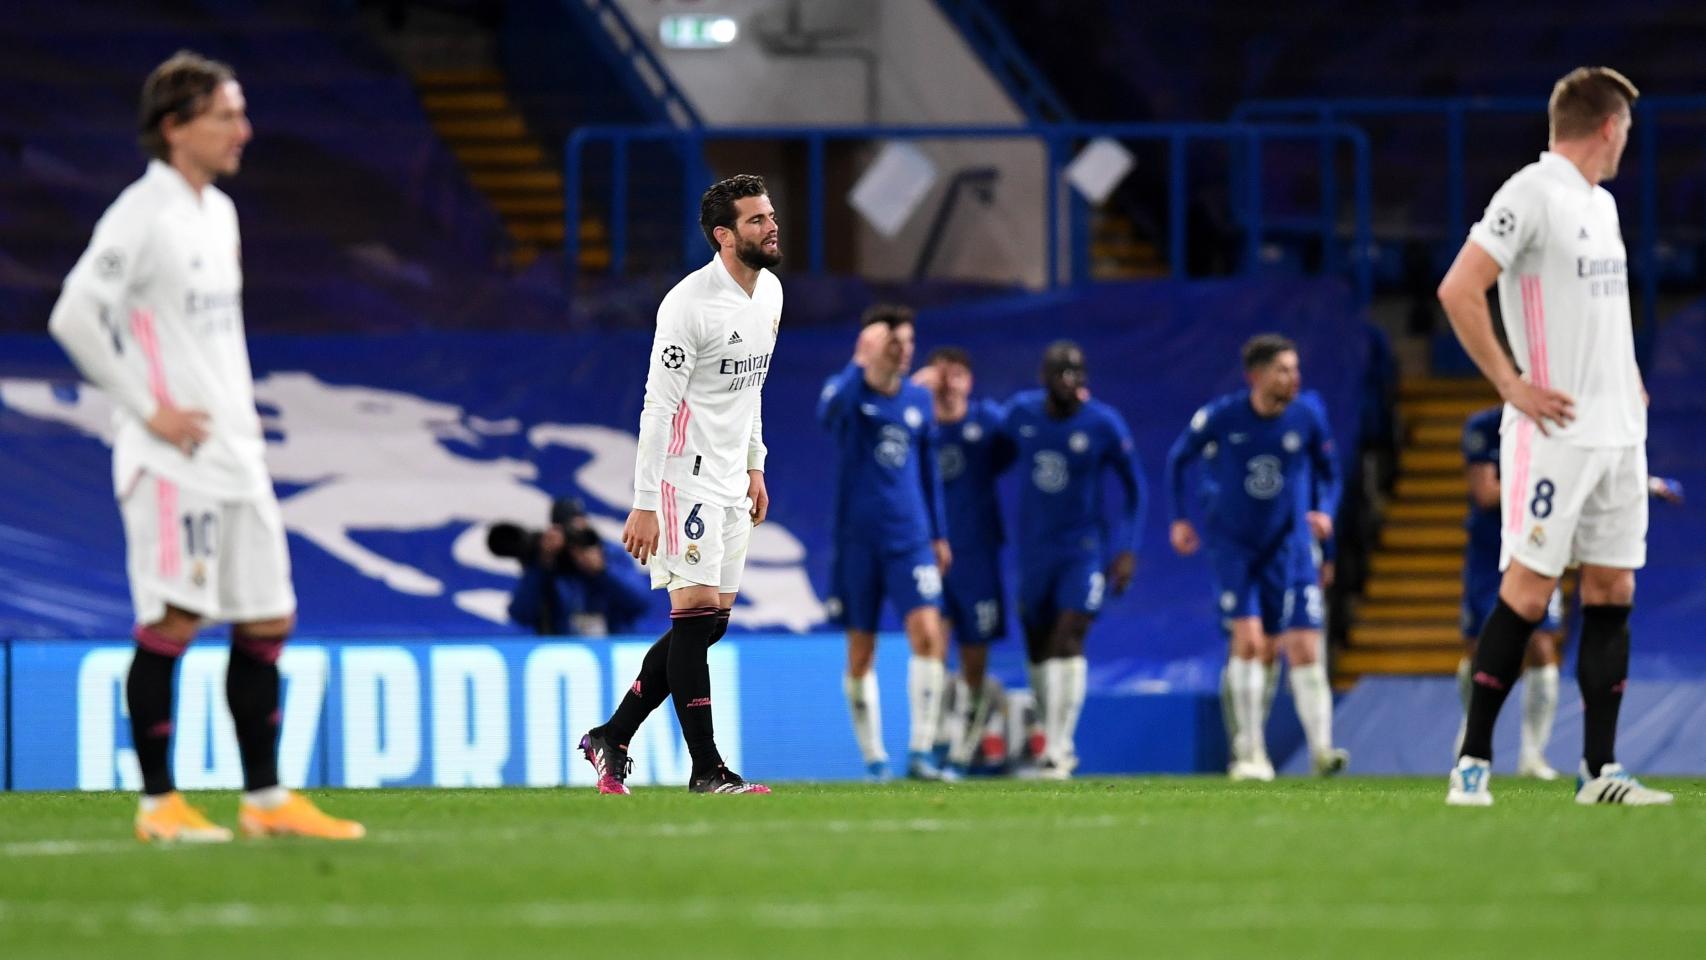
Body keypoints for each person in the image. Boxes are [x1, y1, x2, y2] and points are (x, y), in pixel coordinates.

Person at [47, 51, 363, 841]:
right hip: (172, 460)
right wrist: (147, 409)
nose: (242, 130)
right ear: (175, 127)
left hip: (235, 454)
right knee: (175, 617)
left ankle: (266, 802)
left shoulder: (217, 212)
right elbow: (73, 315)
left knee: (267, 619)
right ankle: (159, 806)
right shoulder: (141, 213)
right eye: (226, 115)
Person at [1437, 66, 1671, 805]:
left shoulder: (1601, 205)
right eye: (1626, 129)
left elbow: (1601, 311)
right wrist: (1512, 384)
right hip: (1556, 432)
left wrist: (1626, 378)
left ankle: (1600, 771)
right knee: (1529, 591)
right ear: (1607, 126)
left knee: (1613, 586)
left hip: (1618, 432)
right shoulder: (1530, 192)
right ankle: (1472, 762)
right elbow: (1459, 287)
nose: (1627, 141)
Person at [578, 174, 781, 796]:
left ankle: (612, 735)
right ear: (724, 236)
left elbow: (750, 389)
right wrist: (645, 503)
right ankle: (707, 769)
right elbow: (657, 408)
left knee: (710, 624)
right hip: (683, 477)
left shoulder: (770, 293)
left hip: (731, 479)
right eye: (756, 220)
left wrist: (755, 463)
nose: (771, 227)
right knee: (693, 620)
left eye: (770, 216)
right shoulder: (687, 305)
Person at [1166, 335, 1347, 780]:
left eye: (1295, 368)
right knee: (1250, 643)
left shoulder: (1307, 416)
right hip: (1236, 547)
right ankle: (1249, 751)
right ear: (1256, 376)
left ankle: (1322, 750)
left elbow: (1330, 472)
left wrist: (1325, 513)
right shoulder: (1222, 417)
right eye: (1283, 370)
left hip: (1292, 547)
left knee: (1304, 646)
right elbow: (1177, 460)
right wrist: (1179, 519)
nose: (1294, 378)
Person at [819, 305, 954, 781]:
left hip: (910, 538)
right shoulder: (849, 392)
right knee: (861, 651)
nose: (905, 350)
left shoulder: (918, 399)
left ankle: (921, 751)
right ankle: (874, 759)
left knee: (929, 634)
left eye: (909, 341)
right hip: (858, 542)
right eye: (895, 342)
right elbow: (827, 415)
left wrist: (938, 533)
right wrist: (859, 362)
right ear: (873, 345)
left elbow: (929, 471)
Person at [1004, 341, 1144, 779]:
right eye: (1062, 373)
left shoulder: (1103, 422)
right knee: (1038, 647)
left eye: (1078, 372)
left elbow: (1136, 487)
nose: (1071, 380)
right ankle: (1050, 733)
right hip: (1034, 552)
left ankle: (1060, 746)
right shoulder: (1021, 414)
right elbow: (988, 449)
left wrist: (1127, 548)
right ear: (1043, 378)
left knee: (1069, 637)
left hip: (1082, 550)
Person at [912, 347, 1016, 776]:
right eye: (942, 376)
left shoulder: (988, 422)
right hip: (929, 553)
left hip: (978, 556)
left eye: (957, 375)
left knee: (975, 655)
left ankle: (964, 745)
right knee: (931, 642)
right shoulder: (917, 424)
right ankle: (930, 739)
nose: (949, 384)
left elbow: (1018, 445)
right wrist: (915, 389)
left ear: (970, 382)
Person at [1457, 406, 1567, 779]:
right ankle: (1472, 734)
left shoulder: (1556, 423)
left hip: (1536, 545)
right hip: (1490, 553)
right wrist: (1548, 487)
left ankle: (1533, 755)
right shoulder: (1485, 426)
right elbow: (1486, 493)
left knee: (1542, 645)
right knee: (1482, 648)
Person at [495, 497, 651, 636]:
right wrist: (542, 565)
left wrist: (602, 571)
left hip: (613, 642)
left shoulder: (610, 553)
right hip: (563, 649)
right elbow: (520, 614)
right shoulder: (549, 561)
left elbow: (641, 603)